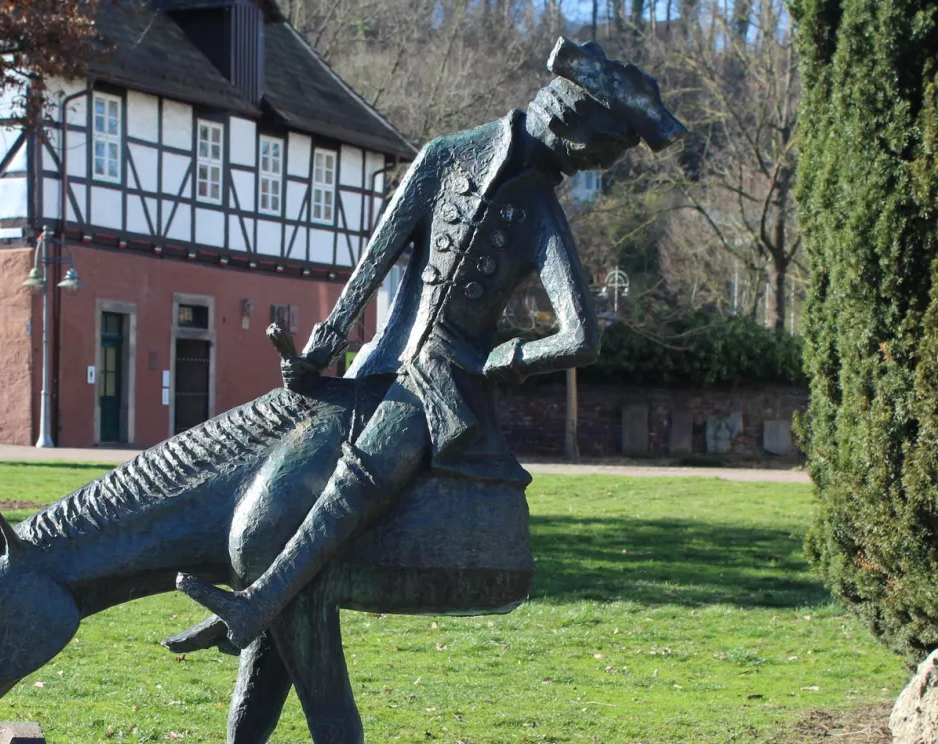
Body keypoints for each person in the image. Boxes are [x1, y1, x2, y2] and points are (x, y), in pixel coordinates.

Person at [168, 38, 685, 653]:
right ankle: (252, 589)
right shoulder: (446, 157)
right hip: (379, 363)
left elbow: (581, 337)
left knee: (370, 464)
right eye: (595, 154)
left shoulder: (541, 213)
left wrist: (503, 359)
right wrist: (324, 347)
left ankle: (260, 602)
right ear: (566, 119)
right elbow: (375, 257)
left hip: (443, 388)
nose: (587, 171)